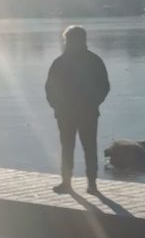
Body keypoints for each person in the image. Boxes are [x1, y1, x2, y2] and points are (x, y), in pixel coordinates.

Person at [44, 26, 110, 194]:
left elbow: (104, 86)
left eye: (71, 40)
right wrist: (57, 106)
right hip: (71, 113)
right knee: (78, 148)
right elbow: (50, 89)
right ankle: (75, 183)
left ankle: (88, 184)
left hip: (81, 113)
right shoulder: (89, 60)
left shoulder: (67, 62)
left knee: (78, 148)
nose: (70, 43)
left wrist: (93, 103)